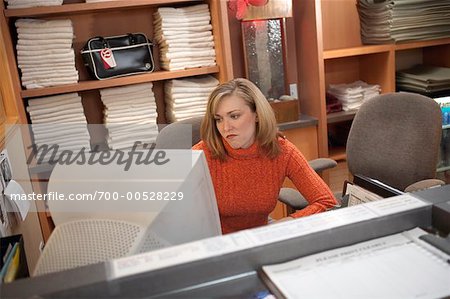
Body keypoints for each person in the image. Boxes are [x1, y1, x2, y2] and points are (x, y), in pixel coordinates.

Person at [193, 78, 337, 234]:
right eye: (218, 119)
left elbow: (327, 202)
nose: (226, 127)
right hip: (216, 242)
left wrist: (286, 223)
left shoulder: (281, 150)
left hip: (261, 237)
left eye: (234, 116)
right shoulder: (201, 154)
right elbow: (167, 210)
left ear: (257, 115)